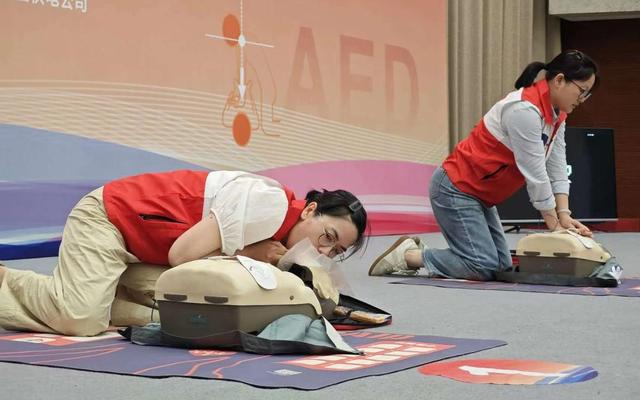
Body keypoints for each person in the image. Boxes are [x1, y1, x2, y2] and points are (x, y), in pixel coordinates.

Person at [0, 170, 368, 335]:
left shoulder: (282, 243)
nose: (322, 250)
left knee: (191, 314)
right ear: (309, 210)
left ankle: (93, 291)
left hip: (144, 252)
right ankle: (11, 282)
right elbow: (182, 256)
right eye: (327, 236)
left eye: (334, 250)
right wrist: (249, 252)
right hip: (109, 220)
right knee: (79, 319)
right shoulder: (269, 204)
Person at [369, 49, 598, 280]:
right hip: (455, 189)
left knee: (501, 267)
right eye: (582, 91)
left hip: (481, 196)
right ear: (559, 80)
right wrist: (554, 225)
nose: (582, 99)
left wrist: (564, 215)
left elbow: (557, 166)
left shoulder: (558, 115)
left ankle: (434, 255)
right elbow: (536, 174)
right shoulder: (524, 110)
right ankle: (408, 256)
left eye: (587, 94)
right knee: (482, 266)